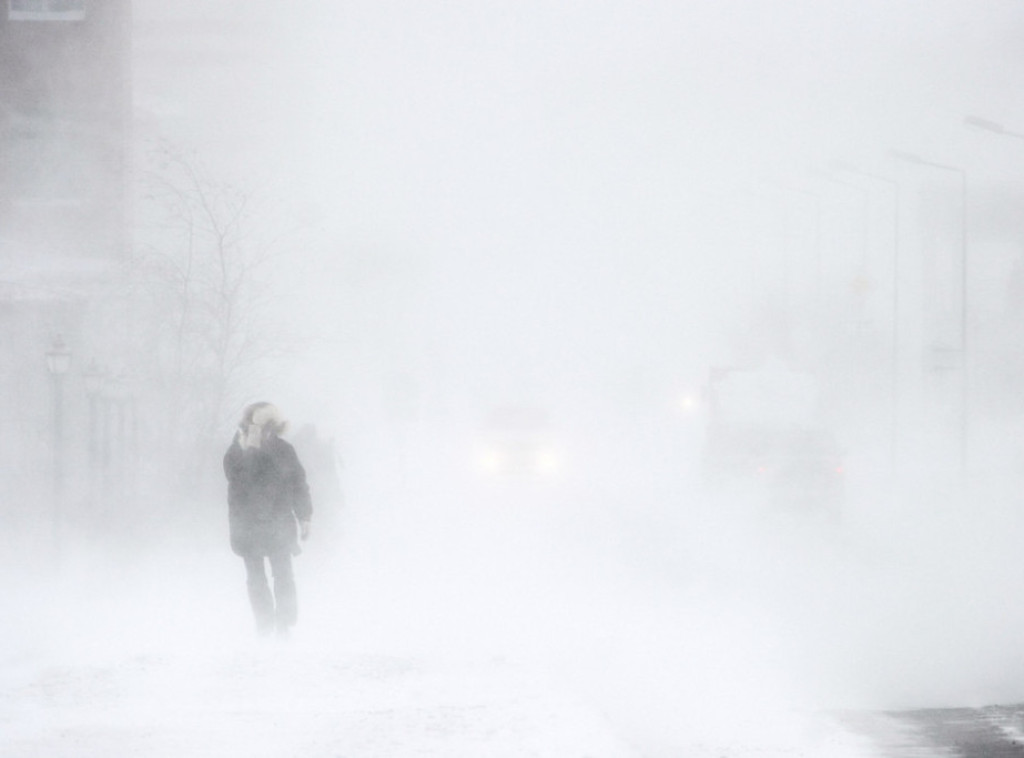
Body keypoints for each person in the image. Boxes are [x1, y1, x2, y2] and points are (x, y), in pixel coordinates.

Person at [223, 402, 312, 637]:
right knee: (256, 579)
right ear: (248, 425)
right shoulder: (236, 452)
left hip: (279, 523)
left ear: (275, 427)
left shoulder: (284, 450)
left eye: (267, 426)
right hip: (247, 525)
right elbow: (238, 479)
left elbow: (298, 484)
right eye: (257, 426)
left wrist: (305, 516)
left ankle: (284, 625)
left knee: (283, 575)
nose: (263, 432)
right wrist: (250, 450)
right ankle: (264, 625)